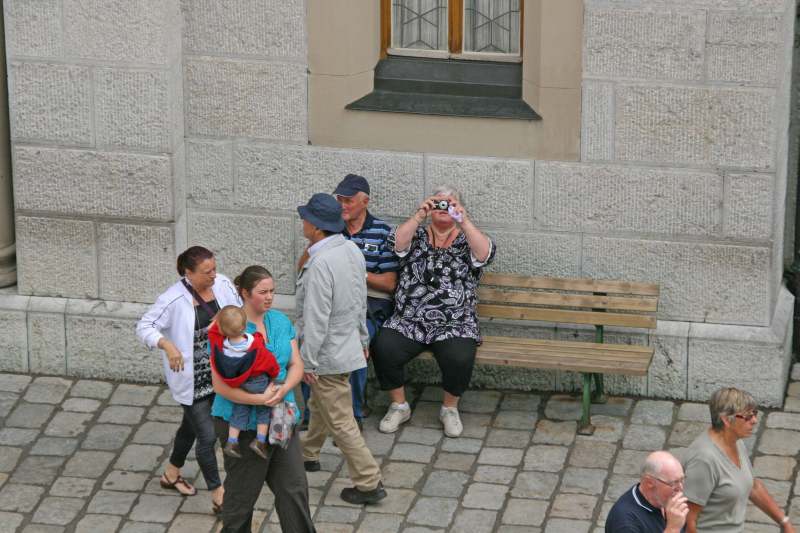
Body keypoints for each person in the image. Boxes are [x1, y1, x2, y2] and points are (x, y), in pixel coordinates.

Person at [372, 185, 496, 438]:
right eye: (439, 203)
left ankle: (449, 409)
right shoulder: (415, 235)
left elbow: (485, 254)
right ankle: (399, 405)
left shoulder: (466, 239)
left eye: (450, 203)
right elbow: (396, 243)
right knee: (383, 346)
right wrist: (419, 214)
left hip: (456, 322)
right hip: (410, 320)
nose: (444, 208)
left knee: (460, 356)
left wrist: (465, 220)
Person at [296, 193, 386, 505]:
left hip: (327, 355)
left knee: (341, 421)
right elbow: (361, 301)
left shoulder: (320, 262)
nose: (303, 222)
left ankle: (368, 482)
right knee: (321, 405)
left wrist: (307, 361)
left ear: (317, 227)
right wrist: (363, 339)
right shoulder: (351, 249)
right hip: (347, 347)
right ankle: (308, 452)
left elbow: (316, 317)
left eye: (306, 218)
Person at [211, 265, 315, 533]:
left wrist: (283, 390)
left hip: (281, 417)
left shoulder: (279, 321)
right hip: (243, 423)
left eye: (272, 291)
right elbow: (220, 386)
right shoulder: (226, 326)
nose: (269, 297)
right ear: (244, 293)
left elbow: (296, 364)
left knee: (294, 488)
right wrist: (259, 400)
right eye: (262, 292)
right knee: (241, 499)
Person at [136, 246, 239, 513]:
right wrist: (168, 346)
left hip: (219, 373)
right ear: (188, 273)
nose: (214, 275)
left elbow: (239, 312)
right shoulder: (172, 299)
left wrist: (225, 320)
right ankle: (219, 494)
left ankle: (171, 474)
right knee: (207, 437)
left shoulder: (224, 284)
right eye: (207, 272)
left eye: (215, 268)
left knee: (190, 427)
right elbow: (144, 326)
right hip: (192, 381)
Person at [298, 173, 399, 430]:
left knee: (352, 344)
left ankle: (353, 414)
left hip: (370, 304)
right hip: (331, 300)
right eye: (339, 199)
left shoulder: (382, 231)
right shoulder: (330, 231)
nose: (343, 205)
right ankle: (314, 418)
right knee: (307, 339)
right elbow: (304, 268)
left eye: (348, 200)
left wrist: (354, 272)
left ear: (365, 201)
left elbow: (389, 284)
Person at [683, 387, 795, 533]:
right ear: (726, 420)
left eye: (754, 413)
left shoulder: (735, 441)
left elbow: (752, 486)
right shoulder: (704, 460)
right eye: (747, 417)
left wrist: (784, 522)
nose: (754, 420)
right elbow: (688, 520)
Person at [207, 305, 281, 459]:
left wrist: (218, 323)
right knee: (263, 409)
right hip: (257, 382)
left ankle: (232, 441)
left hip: (239, 383)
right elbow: (270, 363)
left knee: (240, 409)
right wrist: (275, 376)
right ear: (245, 325)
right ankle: (260, 441)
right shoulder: (255, 345)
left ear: (221, 328)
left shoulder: (220, 346)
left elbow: (212, 332)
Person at [605, 451, 688, 533]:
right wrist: (673, 529)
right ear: (649, 482)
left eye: (682, 479)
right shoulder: (625, 523)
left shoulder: (664, 500)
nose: (680, 488)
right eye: (673, 483)